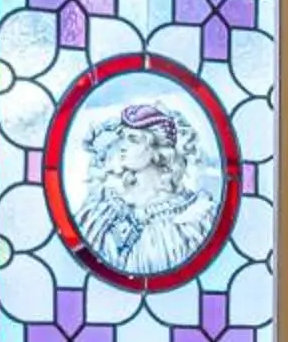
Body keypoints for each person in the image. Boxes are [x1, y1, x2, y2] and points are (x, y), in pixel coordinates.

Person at [71, 99, 218, 279]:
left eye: (133, 139)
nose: (122, 146)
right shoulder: (103, 208)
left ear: (158, 149)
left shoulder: (193, 219)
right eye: (122, 137)